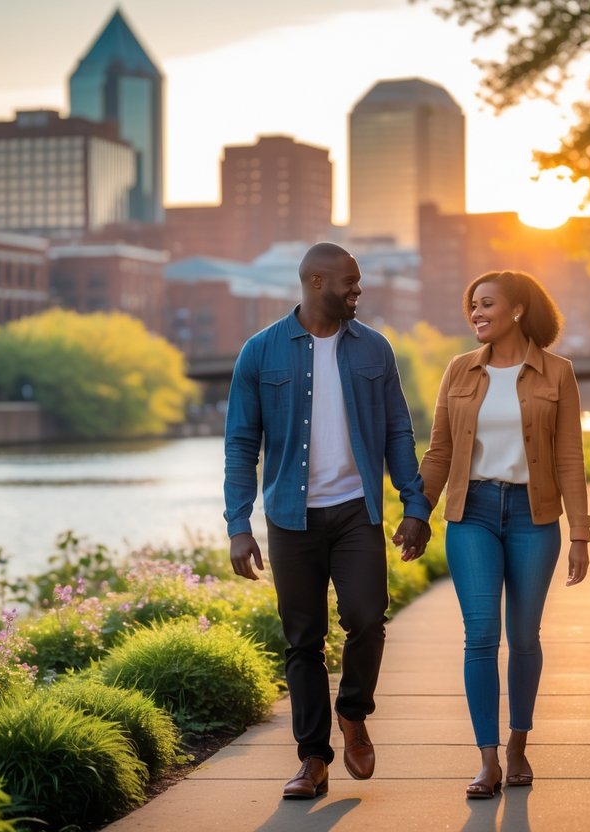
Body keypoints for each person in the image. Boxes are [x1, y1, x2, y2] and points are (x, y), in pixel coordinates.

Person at [223, 241, 432, 800]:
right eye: (349, 283)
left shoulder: (375, 350)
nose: (358, 291)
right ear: (315, 282)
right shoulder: (260, 353)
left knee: (367, 619)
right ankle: (312, 759)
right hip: (291, 519)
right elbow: (242, 443)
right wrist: (237, 524)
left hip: (355, 511)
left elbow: (397, 432)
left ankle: (354, 711)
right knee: (302, 641)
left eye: (358, 282)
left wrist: (415, 505)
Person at [414, 269, 590, 798]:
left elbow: (569, 456)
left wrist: (579, 532)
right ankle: (487, 760)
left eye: (486, 304)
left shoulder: (558, 373)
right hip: (473, 514)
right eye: (471, 305)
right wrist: (416, 510)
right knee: (481, 636)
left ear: (517, 310)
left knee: (524, 638)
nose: (475, 313)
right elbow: (440, 450)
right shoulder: (459, 371)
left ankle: (518, 745)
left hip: (535, 518)